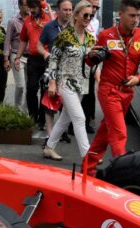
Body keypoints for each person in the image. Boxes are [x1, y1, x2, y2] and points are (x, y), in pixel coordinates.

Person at [84, 0, 140, 176]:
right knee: (119, 133)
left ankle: (87, 167)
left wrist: (139, 78)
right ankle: (121, 175)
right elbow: (91, 61)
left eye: (138, 16)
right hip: (108, 90)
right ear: (120, 15)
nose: (135, 19)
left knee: (105, 131)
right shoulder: (106, 35)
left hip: (128, 93)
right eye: (132, 15)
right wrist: (90, 56)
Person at [42, 1, 95, 161]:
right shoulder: (64, 35)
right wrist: (52, 82)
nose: (88, 18)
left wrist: (98, 73)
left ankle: (49, 148)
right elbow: (53, 59)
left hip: (82, 84)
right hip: (65, 82)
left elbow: (92, 62)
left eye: (90, 15)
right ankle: (87, 156)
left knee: (65, 118)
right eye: (85, 15)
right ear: (76, 15)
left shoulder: (91, 38)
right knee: (79, 118)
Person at [37, 0, 72, 143]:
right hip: (52, 69)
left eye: (70, 10)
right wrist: (45, 53)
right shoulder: (49, 27)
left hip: (70, 71)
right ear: (57, 10)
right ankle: (50, 136)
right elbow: (39, 45)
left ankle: (61, 131)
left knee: (66, 103)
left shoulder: (75, 27)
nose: (68, 13)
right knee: (50, 103)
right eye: (65, 10)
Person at [15, 0, 51, 126]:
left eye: (34, 7)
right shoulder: (27, 21)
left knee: (45, 89)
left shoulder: (48, 19)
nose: (32, 10)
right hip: (33, 60)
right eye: (31, 7)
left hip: (46, 59)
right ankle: (33, 116)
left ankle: (42, 118)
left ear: (40, 7)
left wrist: (50, 13)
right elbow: (23, 41)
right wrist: (17, 57)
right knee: (31, 88)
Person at [3, 0, 27, 111]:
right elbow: (7, 41)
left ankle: (27, 111)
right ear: (20, 6)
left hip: (31, 57)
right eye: (26, 5)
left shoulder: (34, 20)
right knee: (20, 85)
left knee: (31, 87)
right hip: (16, 56)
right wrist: (6, 59)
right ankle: (18, 111)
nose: (28, 8)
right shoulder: (13, 21)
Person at [82, 0, 101, 133]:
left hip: (92, 60)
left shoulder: (96, 22)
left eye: (96, 7)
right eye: (92, 6)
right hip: (78, 60)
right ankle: (73, 124)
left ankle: (88, 120)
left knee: (89, 92)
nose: (94, 9)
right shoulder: (79, 19)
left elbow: (95, 40)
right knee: (79, 92)